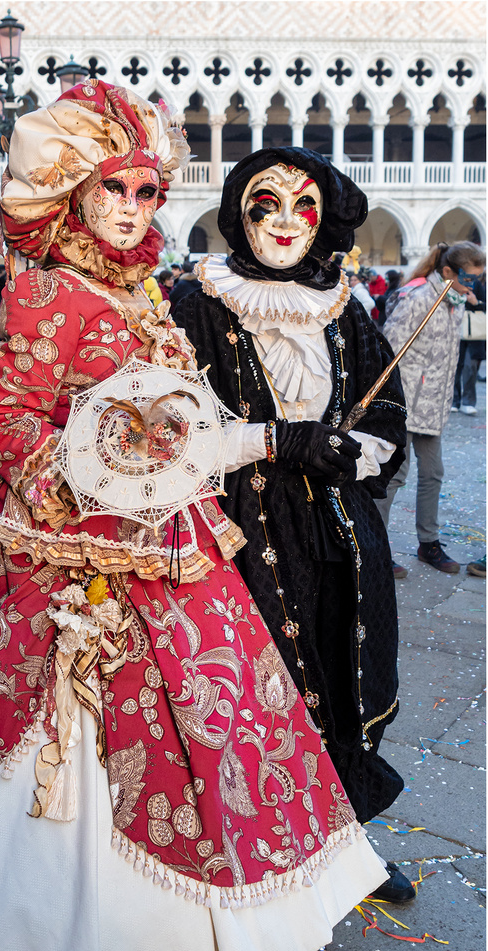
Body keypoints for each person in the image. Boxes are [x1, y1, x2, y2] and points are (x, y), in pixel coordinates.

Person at [0, 82, 387, 951]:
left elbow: (178, 417)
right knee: (55, 723)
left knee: (213, 717)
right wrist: (87, 484)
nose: (130, 211)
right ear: (75, 193)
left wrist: (232, 444)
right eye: (112, 191)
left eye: (144, 194)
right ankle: (34, 927)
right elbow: (6, 424)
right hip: (68, 550)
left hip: (166, 535)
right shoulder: (47, 287)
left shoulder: (142, 291)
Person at [173, 147, 413, 904]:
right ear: (237, 214)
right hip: (243, 527)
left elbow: (386, 411)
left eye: (302, 205)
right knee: (269, 680)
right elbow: (164, 431)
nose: (283, 221)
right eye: (263, 204)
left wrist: (354, 449)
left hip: (340, 525)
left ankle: (345, 842)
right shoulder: (198, 303)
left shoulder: (345, 305)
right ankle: (267, 847)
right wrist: (274, 440)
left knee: (345, 668)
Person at [375, 241, 485, 575]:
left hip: (434, 407)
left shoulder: (456, 302)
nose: (474, 285)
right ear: (448, 271)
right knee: (394, 476)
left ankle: (429, 543)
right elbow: (389, 349)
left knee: (433, 473)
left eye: (479, 279)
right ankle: (377, 548)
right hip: (406, 403)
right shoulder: (420, 297)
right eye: (469, 277)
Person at [452, 272, 486, 415]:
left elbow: (484, 305)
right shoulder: (453, 283)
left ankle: (468, 402)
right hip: (454, 330)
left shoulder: (477, 284)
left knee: (470, 367)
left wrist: (475, 302)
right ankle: (454, 401)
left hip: (474, 333)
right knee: (454, 367)